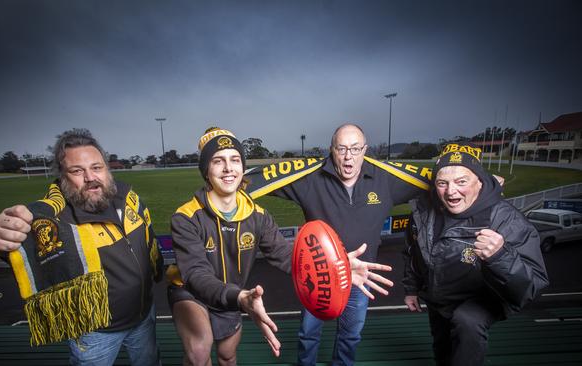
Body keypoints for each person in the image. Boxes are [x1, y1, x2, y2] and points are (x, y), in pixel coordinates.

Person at [167, 127, 394, 365]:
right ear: (206, 170)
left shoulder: (258, 216)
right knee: (199, 352)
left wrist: (336, 266)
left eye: (235, 160)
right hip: (192, 291)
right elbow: (196, 274)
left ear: (243, 167)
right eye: (217, 161)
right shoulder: (185, 217)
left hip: (234, 294)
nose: (228, 168)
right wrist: (240, 297)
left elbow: (288, 255)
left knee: (227, 354)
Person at [243, 123, 430, 365]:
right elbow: (254, 180)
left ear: (365, 149)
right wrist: (226, 180)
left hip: (360, 276)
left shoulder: (386, 179)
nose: (348, 155)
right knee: (308, 333)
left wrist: (484, 181)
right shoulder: (310, 178)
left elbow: (442, 181)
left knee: (350, 335)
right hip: (319, 275)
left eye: (355, 148)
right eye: (341, 148)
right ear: (331, 150)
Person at [0, 129, 163, 366]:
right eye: (77, 171)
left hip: (144, 317)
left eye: (97, 167)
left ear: (107, 168)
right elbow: (24, 241)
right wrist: (4, 240)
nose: (90, 177)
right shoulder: (51, 217)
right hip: (95, 332)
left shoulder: (128, 196)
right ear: (63, 177)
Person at [402, 143, 549, 366]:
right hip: (438, 296)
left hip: (481, 298)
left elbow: (531, 286)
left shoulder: (505, 219)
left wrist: (500, 256)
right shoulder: (423, 212)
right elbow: (414, 251)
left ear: (479, 182)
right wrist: (412, 288)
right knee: (442, 348)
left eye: (462, 182)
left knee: (466, 322)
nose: (451, 191)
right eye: (443, 183)